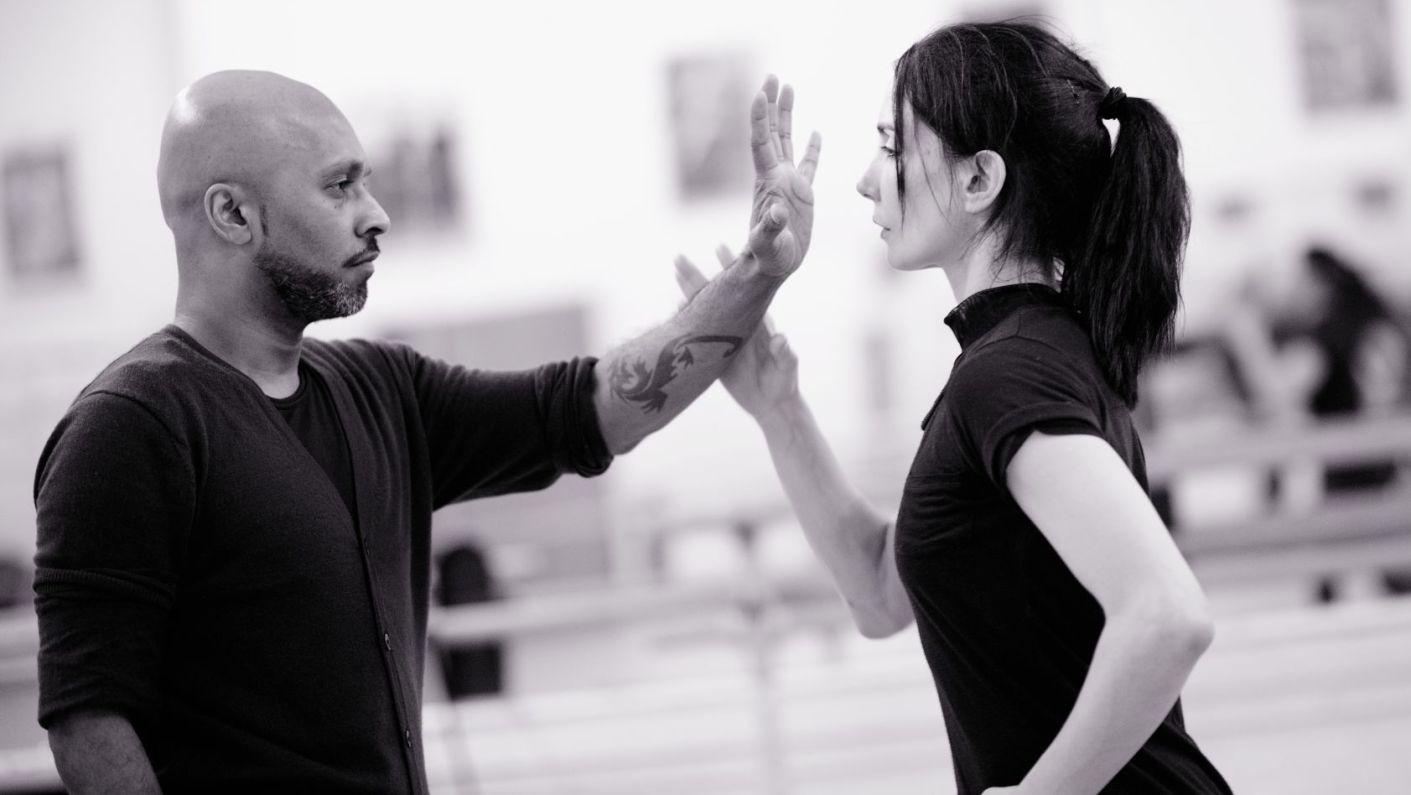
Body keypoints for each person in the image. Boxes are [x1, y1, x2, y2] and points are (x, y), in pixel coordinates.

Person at [33, 69, 820, 793]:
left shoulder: (380, 390)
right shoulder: (130, 427)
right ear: (233, 214)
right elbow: (90, 722)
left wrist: (757, 272)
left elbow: (585, 411)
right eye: (340, 186)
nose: (375, 216)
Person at [677, 21, 1230, 794]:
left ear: (979, 181)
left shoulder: (1009, 373)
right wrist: (778, 405)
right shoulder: (1017, 357)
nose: (868, 179)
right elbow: (877, 592)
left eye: (892, 147)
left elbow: (1167, 615)